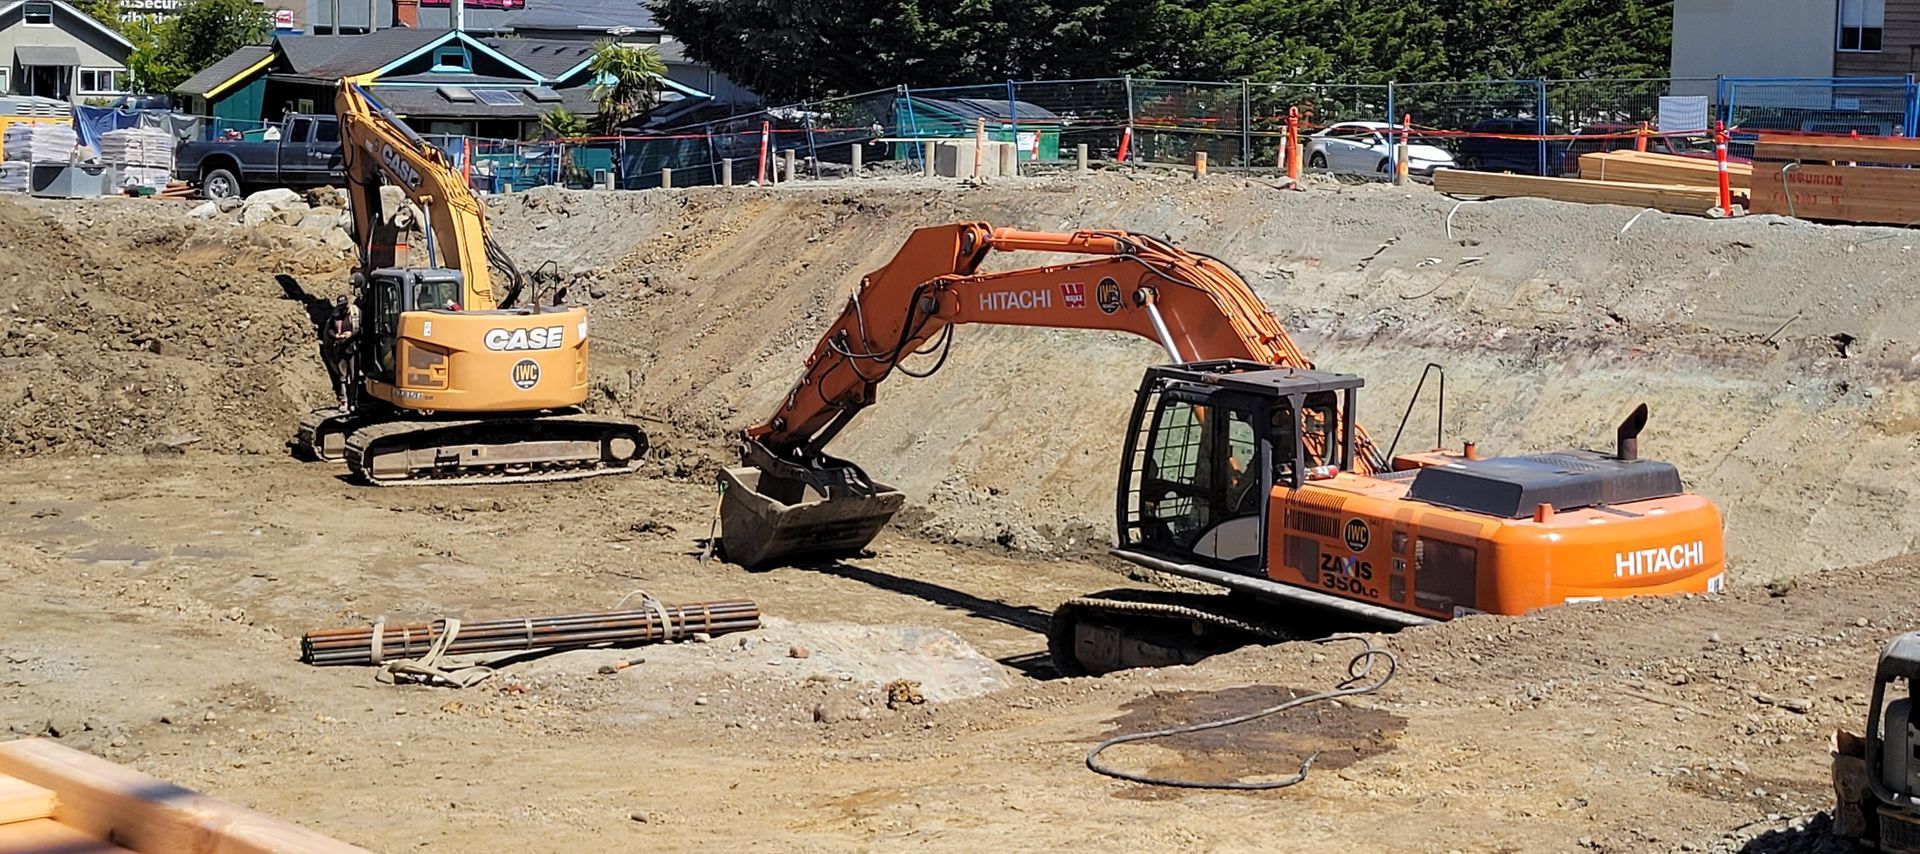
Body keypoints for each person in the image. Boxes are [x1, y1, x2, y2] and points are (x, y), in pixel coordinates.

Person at [326, 296, 359, 405]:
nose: (343, 308)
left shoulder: (355, 314)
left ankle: (353, 401)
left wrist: (352, 334)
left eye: (344, 305)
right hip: (340, 349)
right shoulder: (335, 315)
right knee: (342, 376)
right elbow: (329, 329)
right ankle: (344, 399)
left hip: (352, 348)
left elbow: (361, 329)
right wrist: (336, 336)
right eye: (341, 306)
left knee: (354, 376)